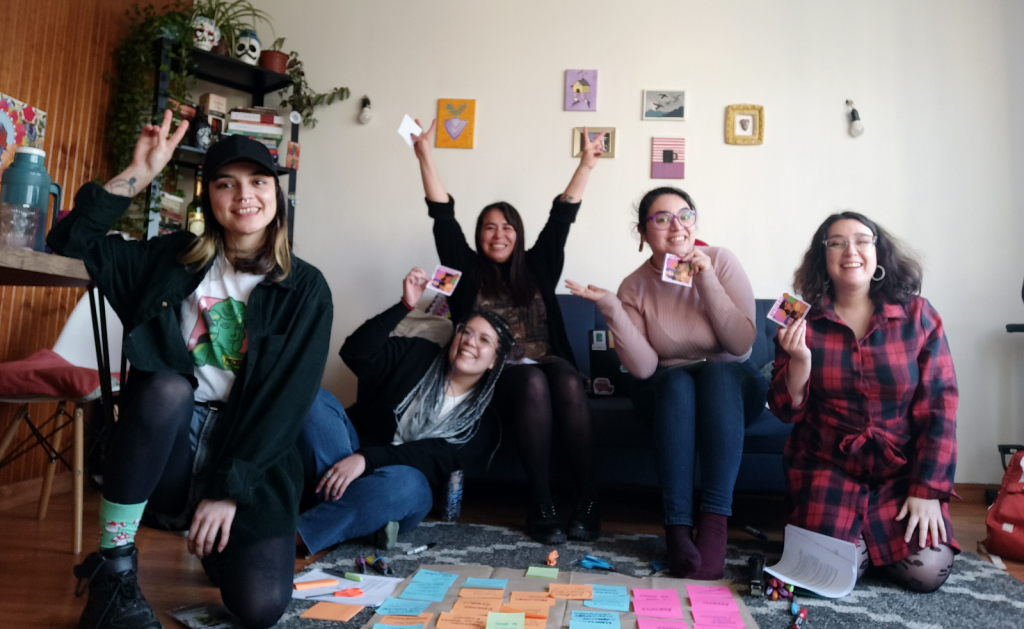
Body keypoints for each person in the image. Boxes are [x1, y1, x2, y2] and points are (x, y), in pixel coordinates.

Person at [48, 111, 333, 629]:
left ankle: (224, 546)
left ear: (276, 194)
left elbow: (284, 406)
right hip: (168, 444)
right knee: (166, 388)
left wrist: (228, 492)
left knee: (259, 607)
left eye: (258, 182)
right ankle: (113, 564)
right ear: (209, 198)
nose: (244, 195)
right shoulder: (171, 260)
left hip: (250, 448)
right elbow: (69, 242)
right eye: (226, 184)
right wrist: (138, 173)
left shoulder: (306, 289)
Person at [410, 119, 605, 544]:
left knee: (567, 380)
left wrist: (586, 166)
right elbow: (442, 215)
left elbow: (562, 217)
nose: (498, 235)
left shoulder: (539, 265)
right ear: (479, 235)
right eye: (489, 227)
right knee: (532, 381)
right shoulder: (464, 268)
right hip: (496, 373)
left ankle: (589, 500)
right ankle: (541, 503)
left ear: (518, 234)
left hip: (545, 359)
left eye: (507, 227)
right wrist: (425, 156)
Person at [566, 187, 765, 579]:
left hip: (731, 384)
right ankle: (676, 527)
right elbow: (644, 368)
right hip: (669, 390)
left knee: (718, 373)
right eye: (662, 219)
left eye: (685, 215)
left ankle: (714, 526)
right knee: (675, 383)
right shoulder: (634, 285)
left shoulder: (722, 261)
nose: (677, 226)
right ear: (643, 233)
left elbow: (741, 346)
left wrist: (706, 279)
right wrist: (611, 307)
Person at [768, 212, 958, 593]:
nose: (850, 250)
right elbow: (785, 410)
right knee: (823, 576)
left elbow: (940, 408)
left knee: (928, 572)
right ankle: (867, 549)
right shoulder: (799, 318)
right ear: (823, 256)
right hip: (827, 469)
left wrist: (927, 490)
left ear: (878, 252)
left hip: (900, 473)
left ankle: (867, 546)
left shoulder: (919, 316)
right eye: (836, 243)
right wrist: (800, 361)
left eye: (861, 240)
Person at [295, 268, 516, 553]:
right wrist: (405, 305)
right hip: (346, 452)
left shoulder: (482, 423)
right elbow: (355, 353)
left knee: (407, 485)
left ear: (494, 361)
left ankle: (296, 536)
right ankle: (361, 519)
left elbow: (427, 458)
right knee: (314, 399)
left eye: (484, 340)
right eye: (465, 331)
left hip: (399, 480)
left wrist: (367, 460)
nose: (470, 341)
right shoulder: (417, 353)